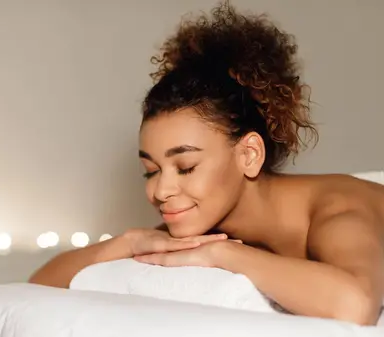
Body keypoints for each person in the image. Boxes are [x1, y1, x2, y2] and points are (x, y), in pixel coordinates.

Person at [28, 1, 384, 326]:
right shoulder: (205, 218)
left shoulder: (338, 211)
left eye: (185, 167)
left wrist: (224, 255)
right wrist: (130, 242)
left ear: (249, 155)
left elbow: (355, 306)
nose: (161, 191)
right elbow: (38, 284)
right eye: (150, 171)